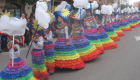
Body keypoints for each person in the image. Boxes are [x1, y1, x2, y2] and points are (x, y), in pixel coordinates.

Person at [53, 2, 85, 69]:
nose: (57, 18)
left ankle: (66, 64)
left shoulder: (65, 26)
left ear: (62, 18)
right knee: (59, 51)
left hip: (64, 40)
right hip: (59, 40)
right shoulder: (58, 25)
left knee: (65, 51)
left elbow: (66, 34)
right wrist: (54, 30)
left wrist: (67, 40)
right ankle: (59, 63)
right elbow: (58, 32)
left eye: (59, 17)